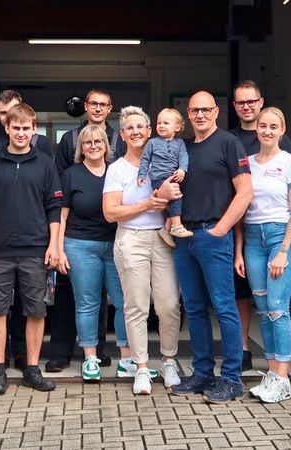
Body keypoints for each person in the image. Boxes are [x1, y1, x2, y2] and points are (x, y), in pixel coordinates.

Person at [164, 91, 252, 404]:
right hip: (184, 237)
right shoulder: (182, 148)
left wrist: (220, 229)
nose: (200, 115)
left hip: (213, 235)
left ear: (215, 111)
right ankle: (202, 373)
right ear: (187, 114)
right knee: (195, 308)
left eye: (206, 109)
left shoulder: (229, 143)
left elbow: (245, 192)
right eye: (194, 110)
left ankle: (232, 379)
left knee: (225, 307)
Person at [0, 103, 60, 395]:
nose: (21, 133)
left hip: (35, 250)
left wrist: (53, 244)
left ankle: (32, 369)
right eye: (16, 128)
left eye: (26, 128)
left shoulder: (45, 164)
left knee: (36, 311)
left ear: (34, 130)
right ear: (7, 128)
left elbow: (54, 207)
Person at [103, 106, 181, 395]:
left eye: (141, 127)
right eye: (129, 128)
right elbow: (111, 212)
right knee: (135, 306)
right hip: (131, 240)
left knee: (169, 305)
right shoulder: (118, 169)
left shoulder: (166, 160)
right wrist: (147, 205)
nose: (136, 131)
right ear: (122, 134)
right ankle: (142, 368)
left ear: (150, 131)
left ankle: (169, 361)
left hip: (163, 239)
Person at [47, 88, 123, 372]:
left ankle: (97, 350)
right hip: (77, 239)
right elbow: (63, 191)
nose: (98, 108)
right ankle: (62, 351)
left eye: (104, 104)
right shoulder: (69, 139)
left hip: (110, 240)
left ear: (110, 108)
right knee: (74, 296)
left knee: (103, 300)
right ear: (86, 106)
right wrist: (58, 244)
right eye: (94, 103)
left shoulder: (120, 139)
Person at [233, 107, 291, 403]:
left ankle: (283, 378)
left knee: (278, 306)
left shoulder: (290, 162)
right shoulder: (247, 163)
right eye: (263, 125)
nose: (266, 130)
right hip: (252, 239)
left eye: (273, 126)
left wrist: (284, 251)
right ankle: (272, 373)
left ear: (282, 129)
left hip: (280, 237)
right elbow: (240, 205)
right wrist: (238, 251)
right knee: (263, 306)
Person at [56, 125, 131, 382]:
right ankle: (90, 359)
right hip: (79, 245)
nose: (94, 146)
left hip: (116, 244)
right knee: (88, 303)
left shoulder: (117, 171)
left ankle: (127, 359)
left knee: (123, 303)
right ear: (80, 148)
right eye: (88, 142)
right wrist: (58, 248)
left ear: (107, 146)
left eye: (99, 141)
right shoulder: (71, 174)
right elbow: (62, 214)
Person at [137, 108, 192, 246]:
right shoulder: (152, 143)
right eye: (159, 123)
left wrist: (182, 170)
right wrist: (142, 174)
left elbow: (184, 157)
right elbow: (145, 159)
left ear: (177, 127)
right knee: (175, 197)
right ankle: (177, 226)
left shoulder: (179, 143)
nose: (161, 125)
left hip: (173, 177)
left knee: (174, 201)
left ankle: (166, 229)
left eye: (166, 123)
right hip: (158, 178)